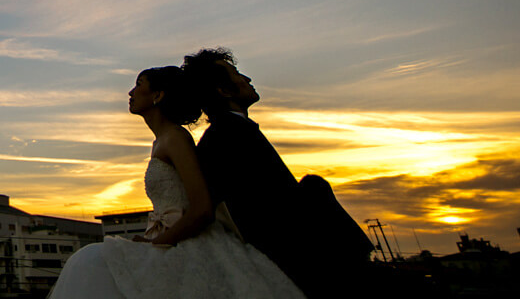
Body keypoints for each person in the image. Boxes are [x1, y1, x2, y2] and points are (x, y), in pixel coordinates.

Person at [47, 66, 307, 299]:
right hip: (171, 238)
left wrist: (156, 244)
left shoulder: (176, 138)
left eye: (139, 84)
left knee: (90, 262)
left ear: (158, 95)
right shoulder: (161, 141)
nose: (130, 92)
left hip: (192, 243)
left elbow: (202, 208)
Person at [181, 48, 373, 298]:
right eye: (237, 73)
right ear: (223, 90)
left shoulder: (233, 131)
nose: (247, 79)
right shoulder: (228, 136)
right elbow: (263, 210)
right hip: (303, 262)